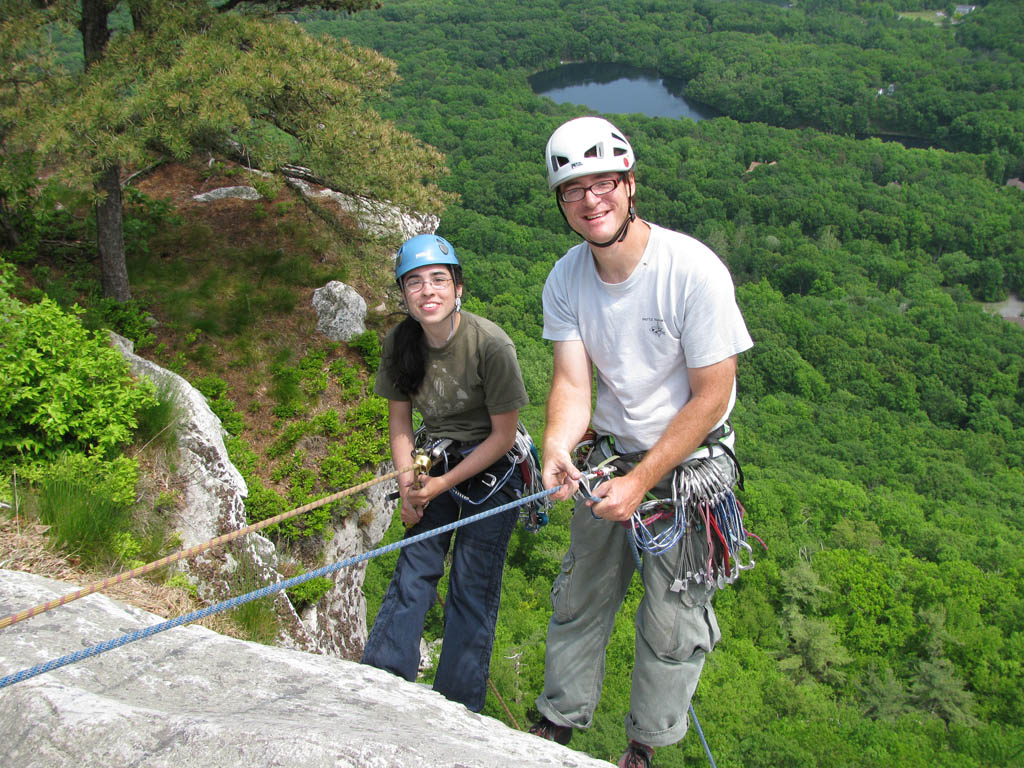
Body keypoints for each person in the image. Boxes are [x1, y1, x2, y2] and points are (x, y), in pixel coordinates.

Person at [528, 116, 754, 768]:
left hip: (687, 466)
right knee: (580, 597)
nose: (590, 200)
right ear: (561, 203)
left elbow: (711, 395)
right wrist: (557, 448)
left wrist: (642, 480)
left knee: (671, 622)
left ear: (630, 186)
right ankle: (558, 722)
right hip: (616, 457)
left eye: (604, 184)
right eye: (574, 189)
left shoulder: (692, 271)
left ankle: (644, 747)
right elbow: (574, 385)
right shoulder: (566, 278)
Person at [360, 233, 530, 712]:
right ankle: (380, 680)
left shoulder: (490, 345)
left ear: (459, 288)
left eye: (438, 279)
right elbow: (399, 420)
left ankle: (456, 707)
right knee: (415, 569)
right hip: (434, 459)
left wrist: (439, 484)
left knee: (471, 586)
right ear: (404, 296)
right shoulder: (401, 343)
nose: (427, 290)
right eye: (414, 283)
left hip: (492, 469)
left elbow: (502, 436)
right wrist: (408, 486)